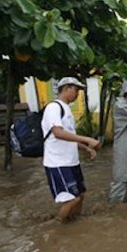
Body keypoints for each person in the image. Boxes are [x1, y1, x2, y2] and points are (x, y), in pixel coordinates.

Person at [41, 77, 101, 223]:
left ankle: (75, 223)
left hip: (71, 161)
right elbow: (58, 133)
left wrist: (85, 148)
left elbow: (69, 136)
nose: (77, 94)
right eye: (76, 90)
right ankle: (58, 226)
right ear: (67, 88)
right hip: (58, 162)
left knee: (81, 194)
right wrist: (87, 139)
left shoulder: (65, 108)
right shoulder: (54, 107)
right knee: (72, 199)